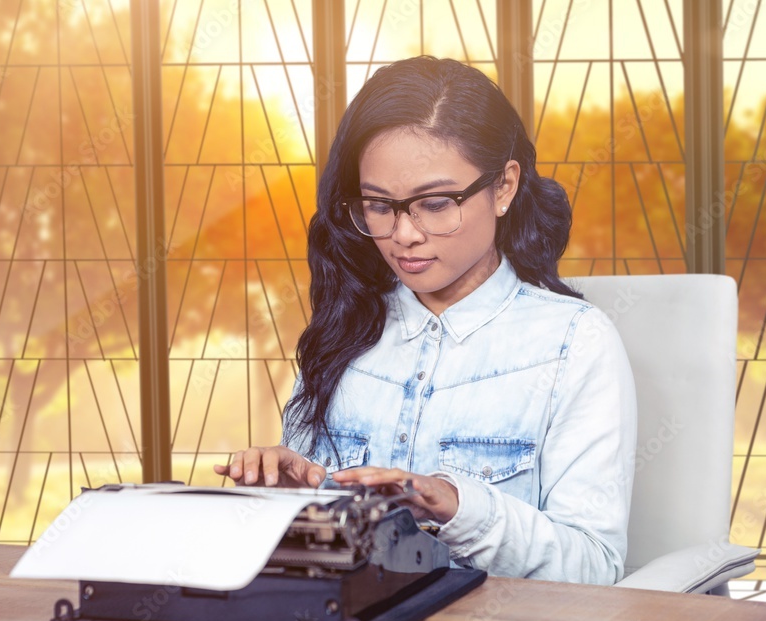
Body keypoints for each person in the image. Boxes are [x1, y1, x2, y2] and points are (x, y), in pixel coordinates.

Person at [214, 56, 637, 585]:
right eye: (378, 205)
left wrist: (458, 507)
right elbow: (313, 559)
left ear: (504, 187)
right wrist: (287, 503)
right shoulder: (345, 329)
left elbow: (593, 567)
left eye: (435, 204)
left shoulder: (573, 343)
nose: (404, 235)